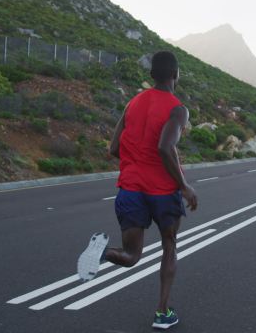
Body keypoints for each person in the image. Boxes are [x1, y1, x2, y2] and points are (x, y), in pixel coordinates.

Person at [77, 51, 198, 330]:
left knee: (132, 255)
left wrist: (136, 165)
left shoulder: (132, 103)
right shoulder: (177, 108)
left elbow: (114, 149)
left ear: (152, 74)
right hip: (163, 192)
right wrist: (184, 186)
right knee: (169, 246)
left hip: (130, 189)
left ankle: (103, 253)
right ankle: (162, 313)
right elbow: (165, 148)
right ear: (175, 74)